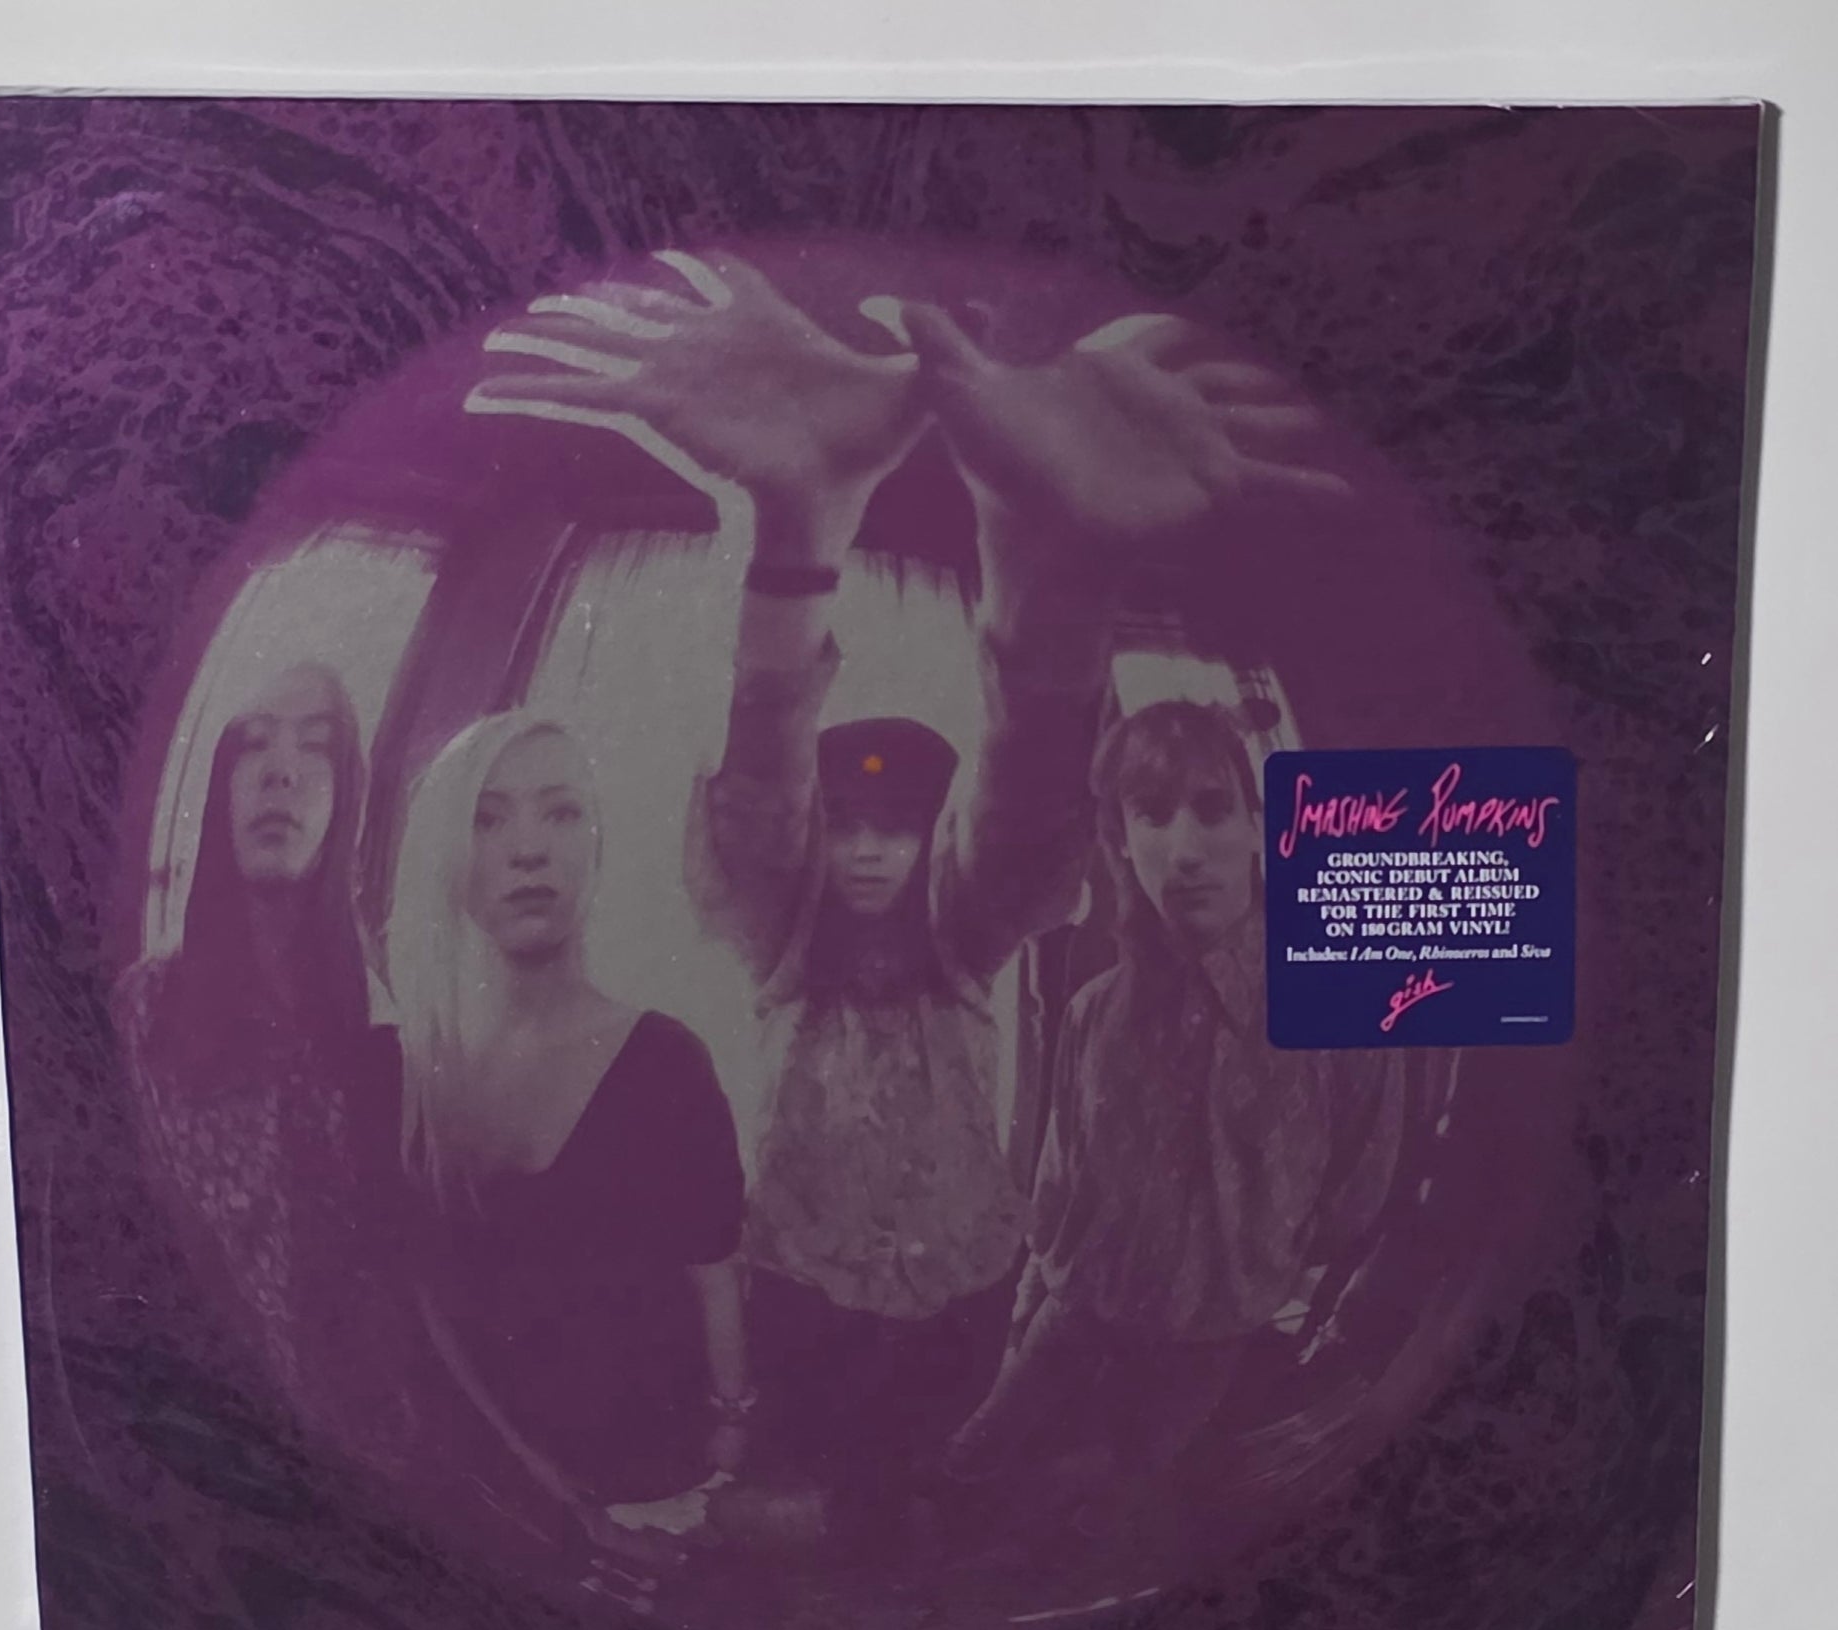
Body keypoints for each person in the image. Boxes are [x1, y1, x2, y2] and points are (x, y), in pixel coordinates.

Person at [466, 253, 1349, 1550]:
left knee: (928, 1502)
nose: (872, 847)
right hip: (803, 1284)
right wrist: (791, 535)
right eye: (852, 822)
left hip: (966, 1285)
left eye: (898, 823)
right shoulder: (780, 935)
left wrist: (1056, 572)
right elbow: (758, 801)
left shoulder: (959, 938)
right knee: (825, 1514)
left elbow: (1024, 818)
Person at [943, 698, 1412, 1521]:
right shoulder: (1092, 1011)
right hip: (1072, 1313)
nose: (1187, 850)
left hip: (1207, 1339)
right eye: (1154, 815)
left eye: (1213, 809)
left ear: (1257, 828)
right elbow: (1057, 1189)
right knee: (970, 1465)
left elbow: (1356, 1196)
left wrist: (1250, 1262)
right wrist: (1024, 1327)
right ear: (1122, 841)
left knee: (1113, 1502)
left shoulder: (1341, 1000)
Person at [385, 710, 751, 1551]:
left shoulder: (665, 1060)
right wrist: (541, 1498)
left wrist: (725, 1461)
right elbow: (430, 1309)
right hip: (493, 1503)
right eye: (488, 819)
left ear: (598, 847)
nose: (529, 850)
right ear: (448, 855)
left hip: (655, 1494)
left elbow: (716, 1279)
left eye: (560, 812)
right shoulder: (413, 1074)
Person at [115, 662, 406, 1455]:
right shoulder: (145, 1012)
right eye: (253, 744)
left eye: (314, 748)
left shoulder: (388, 1032)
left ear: (347, 798)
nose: (281, 771)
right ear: (219, 787)